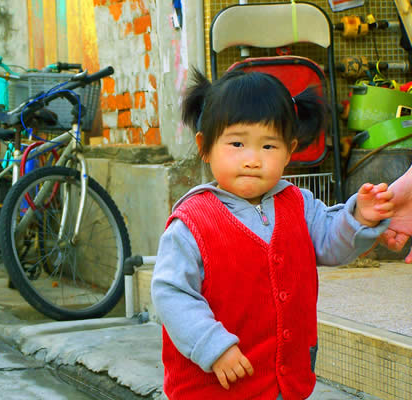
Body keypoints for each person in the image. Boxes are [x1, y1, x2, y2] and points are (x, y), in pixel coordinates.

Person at [151, 69, 395, 400]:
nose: (252, 159)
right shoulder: (191, 222)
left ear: (289, 150)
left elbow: (331, 243)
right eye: (236, 143)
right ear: (205, 147)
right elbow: (171, 293)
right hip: (214, 387)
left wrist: (358, 218)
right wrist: (212, 345)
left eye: (268, 145)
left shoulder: (299, 203)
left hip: (284, 383)